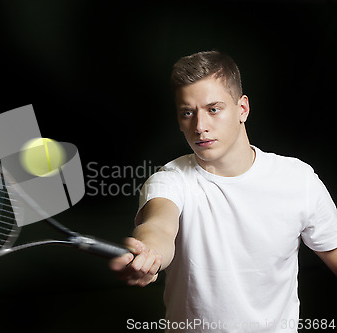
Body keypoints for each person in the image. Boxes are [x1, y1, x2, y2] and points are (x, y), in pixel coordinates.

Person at [110, 50, 337, 332]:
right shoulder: (169, 180)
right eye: (188, 113)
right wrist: (147, 254)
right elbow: (158, 227)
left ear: (242, 109)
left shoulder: (298, 179)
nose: (200, 126)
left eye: (213, 109)